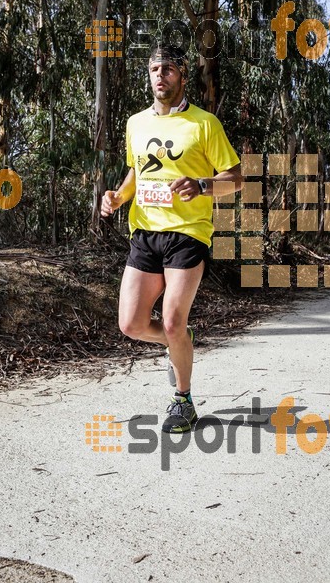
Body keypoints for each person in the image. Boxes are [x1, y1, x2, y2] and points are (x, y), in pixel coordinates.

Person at [101, 45, 242, 434]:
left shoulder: (204, 124)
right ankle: (179, 341)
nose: (160, 75)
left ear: (182, 74)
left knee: (172, 320)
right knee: (130, 323)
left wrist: (201, 184)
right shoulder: (136, 124)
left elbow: (235, 178)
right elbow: (136, 175)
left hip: (187, 233)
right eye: (153, 69)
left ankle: (183, 400)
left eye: (167, 69)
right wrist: (117, 197)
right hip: (145, 232)